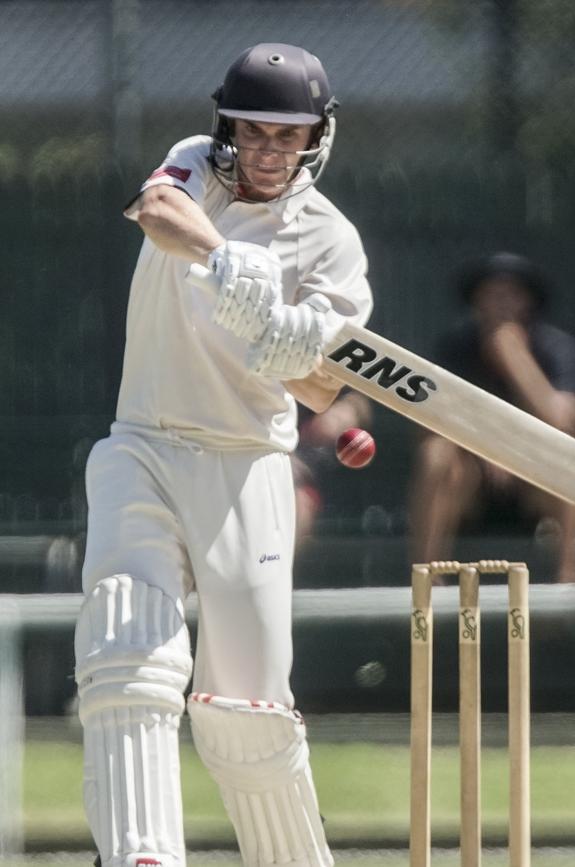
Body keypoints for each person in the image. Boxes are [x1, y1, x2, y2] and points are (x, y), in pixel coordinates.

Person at [74, 43, 372, 867]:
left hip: (248, 466)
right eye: (257, 131)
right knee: (125, 652)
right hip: (146, 442)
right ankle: (140, 855)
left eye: (291, 135)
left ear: (318, 137)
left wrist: (283, 335)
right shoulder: (196, 168)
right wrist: (225, 259)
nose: (271, 150)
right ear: (228, 127)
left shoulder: (331, 243)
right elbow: (158, 212)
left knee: (248, 709)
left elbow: (318, 388)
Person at [408, 252, 575, 583]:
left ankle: (570, 583)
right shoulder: (455, 347)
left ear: (528, 302)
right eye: (491, 294)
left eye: (511, 294)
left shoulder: (556, 348)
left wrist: (514, 357)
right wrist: (488, 449)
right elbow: (427, 423)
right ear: (476, 301)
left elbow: (564, 423)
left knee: (571, 462)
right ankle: (427, 579)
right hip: (470, 480)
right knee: (436, 453)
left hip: (532, 483)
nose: (501, 303)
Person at [292, 390, 372, 543]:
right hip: (255, 454)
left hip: (302, 479)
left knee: (299, 505)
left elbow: (361, 400)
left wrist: (347, 410)